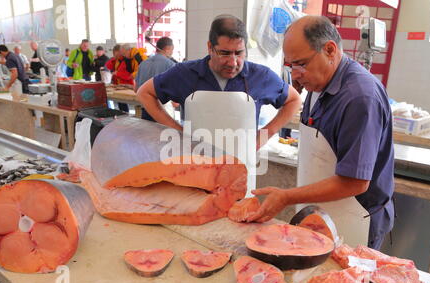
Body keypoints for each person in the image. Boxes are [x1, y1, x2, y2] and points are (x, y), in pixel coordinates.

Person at [251, 16, 395, 250]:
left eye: (301, 64)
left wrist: (287, 197)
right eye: (290, 66)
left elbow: (355, 182)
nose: (295, 74)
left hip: (355, 218)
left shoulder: (360, 98)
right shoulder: (319, 84)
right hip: (322, 211)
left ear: (329, 50)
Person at [137, 14, 302, 149]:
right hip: (195, 162)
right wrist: (177, 131)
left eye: (239, 53)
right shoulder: (185, 73)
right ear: (210, 47)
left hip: (241, 164)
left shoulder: (260, 76)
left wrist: (265, 134)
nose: (233, 62)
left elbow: (293, 99)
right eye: (224, 53)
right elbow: (145, 93)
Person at [134, 36, 177, 122]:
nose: (172, 52)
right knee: (163, 134)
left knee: (148, 134)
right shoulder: (170, 65)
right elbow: (175, 92)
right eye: (172, 50)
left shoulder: (143, 64)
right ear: (167, 48)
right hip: (163, 111)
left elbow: (136, 89)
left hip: (146, 108)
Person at [105, 44, 132, 113]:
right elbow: (107, 65)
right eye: (115, 55)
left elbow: (129, 76)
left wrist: (117, 73)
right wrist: (114, 59)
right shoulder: (116, 61)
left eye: (119, 55)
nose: (117, 57)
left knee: (124, 105)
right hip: (119, 86)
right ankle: (122, 115)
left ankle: (125, 116)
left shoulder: (127, 61)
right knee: (121, 104)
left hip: (127, 86)